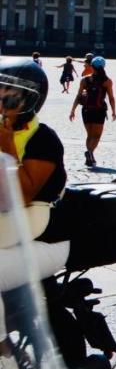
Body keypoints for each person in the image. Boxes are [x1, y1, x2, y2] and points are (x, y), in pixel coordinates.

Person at [0, 57, 66, 240]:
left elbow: (23, 195)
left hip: (29, 220)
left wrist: (7, 147)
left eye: (9, 101)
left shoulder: (43, 139)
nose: (1, 106)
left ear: (29, 102)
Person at [68, 57, 115, 168]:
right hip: (99, 110)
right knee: (97, 136)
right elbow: (111, 98)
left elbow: (78, 96)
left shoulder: (85, 80)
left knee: (90, 135)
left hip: (86, 110)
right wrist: (114, 111)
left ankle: (90, 156)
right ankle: (90, 152)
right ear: (103, 67)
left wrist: (73, 110)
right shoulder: (107, 81)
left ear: (91, 66)